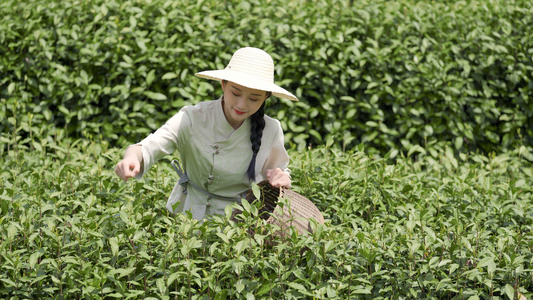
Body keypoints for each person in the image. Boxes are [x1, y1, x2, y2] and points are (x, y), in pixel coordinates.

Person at [114, 47, 298, 220]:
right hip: (186, 212)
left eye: (254, 98)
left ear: (266, 97)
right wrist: (131, 159)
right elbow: (149, 146)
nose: (242, 104)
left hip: (238, 222)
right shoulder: (193, 117)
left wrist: (282, 178)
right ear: (223, 84)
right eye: (235, 93)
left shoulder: (271, 130)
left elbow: (279, 172)